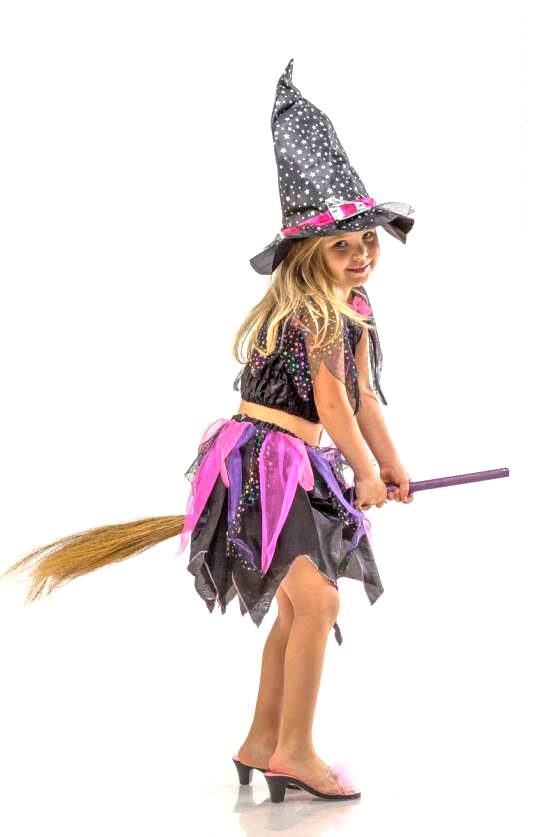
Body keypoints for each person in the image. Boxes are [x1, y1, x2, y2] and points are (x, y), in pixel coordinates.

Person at [1, 58, 416, 802]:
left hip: (282, 462)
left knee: (301, 604)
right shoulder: (315, 312)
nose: (361, 257)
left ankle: (263, 740)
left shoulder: (352, 307)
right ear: (307, 253)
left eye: (369, 242)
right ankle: (293, 749)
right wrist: (361, 470)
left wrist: (391, 465)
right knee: (317, 603)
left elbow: (365, 400)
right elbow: (331, 404)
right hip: (269, 464)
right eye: (342, 246)